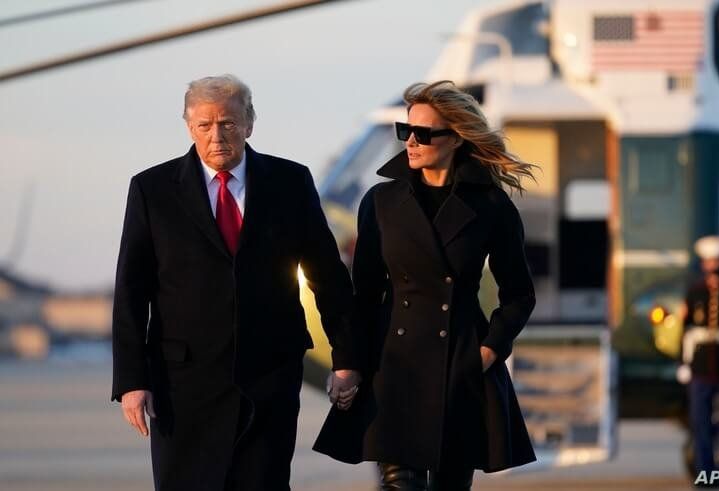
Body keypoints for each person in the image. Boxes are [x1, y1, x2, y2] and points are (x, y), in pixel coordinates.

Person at [111, 74, 361, 491]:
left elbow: (328, 276)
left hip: (269, 376)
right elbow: (131, 291)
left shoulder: (290, 182)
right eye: (205, 125)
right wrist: (132, 381)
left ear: (249, 122)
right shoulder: (151, 190)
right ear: (189, 127)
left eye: (227, 123)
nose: (217, 135)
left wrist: (347, 357)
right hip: (182, 383)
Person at [314, 80, 537, 490]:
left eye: (423, 133)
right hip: (393, 367)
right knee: (400, 483)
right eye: (406, 132)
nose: (410, 142)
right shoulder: (380, 202)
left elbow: (520, 294)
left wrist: (488, 350)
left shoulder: (491, 205)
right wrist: (350, 365)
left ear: (455, 138)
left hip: (460, 363)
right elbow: (363, 296)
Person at [680, 235, 719, 487]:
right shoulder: (695, 292)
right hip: (701, 364)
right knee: (700, 422)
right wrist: (682, 362)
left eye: (717, 261)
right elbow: (686, 329)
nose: (713, 267)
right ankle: (705, 472)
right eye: (708, 262)